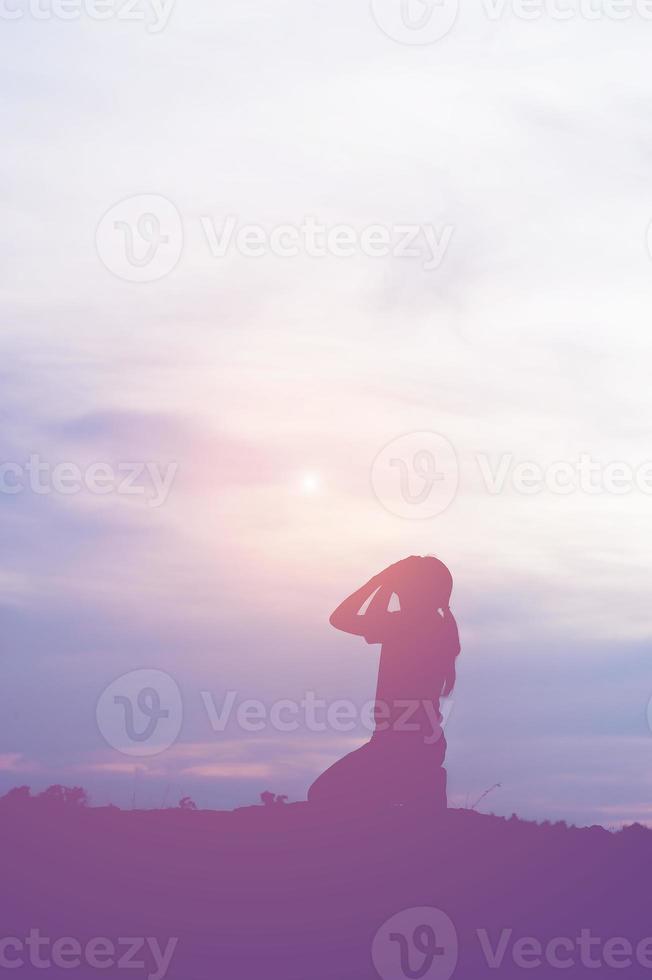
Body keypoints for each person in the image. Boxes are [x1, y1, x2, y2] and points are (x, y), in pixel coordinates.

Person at [308, 555, 460, 810]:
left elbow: (341, 617)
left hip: (397, 747)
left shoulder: (406, 624)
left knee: (323, 792)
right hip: (418, 744)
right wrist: (388, 582)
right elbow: (367, 616)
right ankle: (419, 786)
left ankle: (406, 789)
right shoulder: (432, 624)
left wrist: (381, 580)